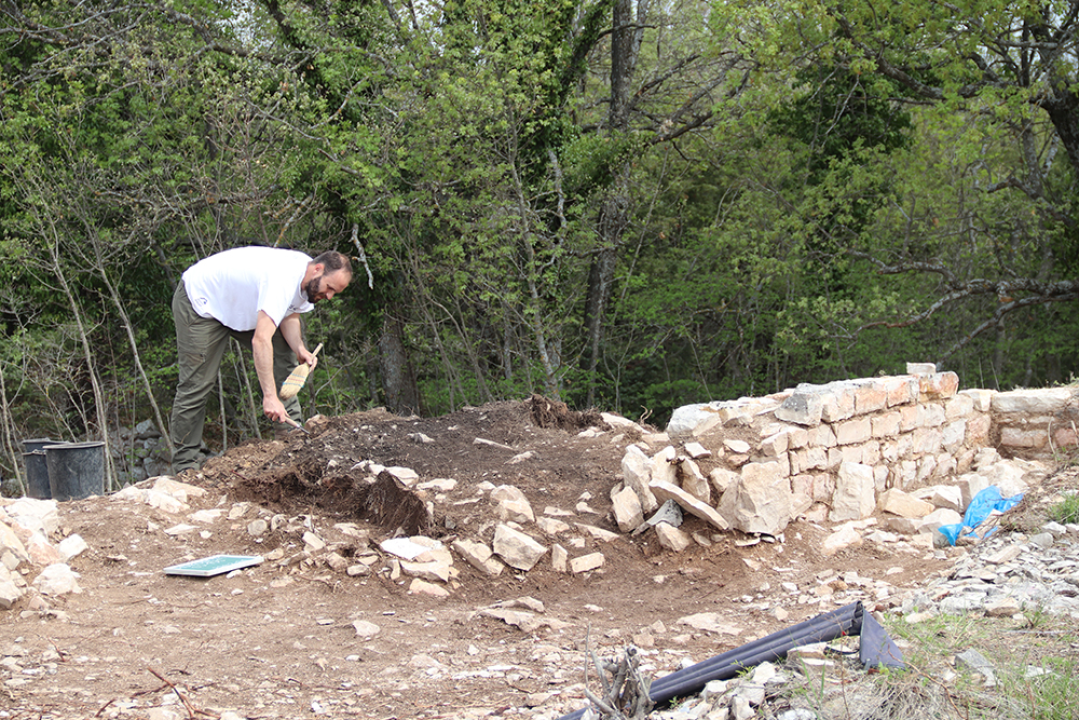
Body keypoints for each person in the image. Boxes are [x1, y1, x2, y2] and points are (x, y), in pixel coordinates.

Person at [169, 246, 352, 473]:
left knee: (285, 357)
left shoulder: (308, 282)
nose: (329, 296)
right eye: (329, 288)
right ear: (318, 269)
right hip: (203, 303)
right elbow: (260, 341)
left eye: (335, 292)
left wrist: (299, 347)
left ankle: (290, 439)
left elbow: (290, 313)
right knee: (197, 384)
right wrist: (269, 397)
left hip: (242, 306)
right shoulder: (283, 279)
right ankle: (185, 464)